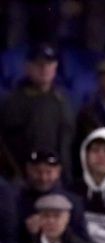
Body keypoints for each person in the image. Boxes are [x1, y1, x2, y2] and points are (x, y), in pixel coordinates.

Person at [0, 43, 74, 177]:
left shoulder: (63, 100)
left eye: (49, 64)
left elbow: (69, 142)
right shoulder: (13, 102)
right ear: (27, 67)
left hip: (60, 178)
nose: (44, 68)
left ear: (55, 67)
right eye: (39, 64)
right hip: (25, 178)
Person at [15, 149, 87, 243]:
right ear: (28, 169)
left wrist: (61, 229)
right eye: (37, 172)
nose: (43, 178)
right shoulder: (17, 199)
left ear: (58, 171)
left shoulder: (73, 202)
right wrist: (27, 231)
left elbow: (83, 240)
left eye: (49, 172)